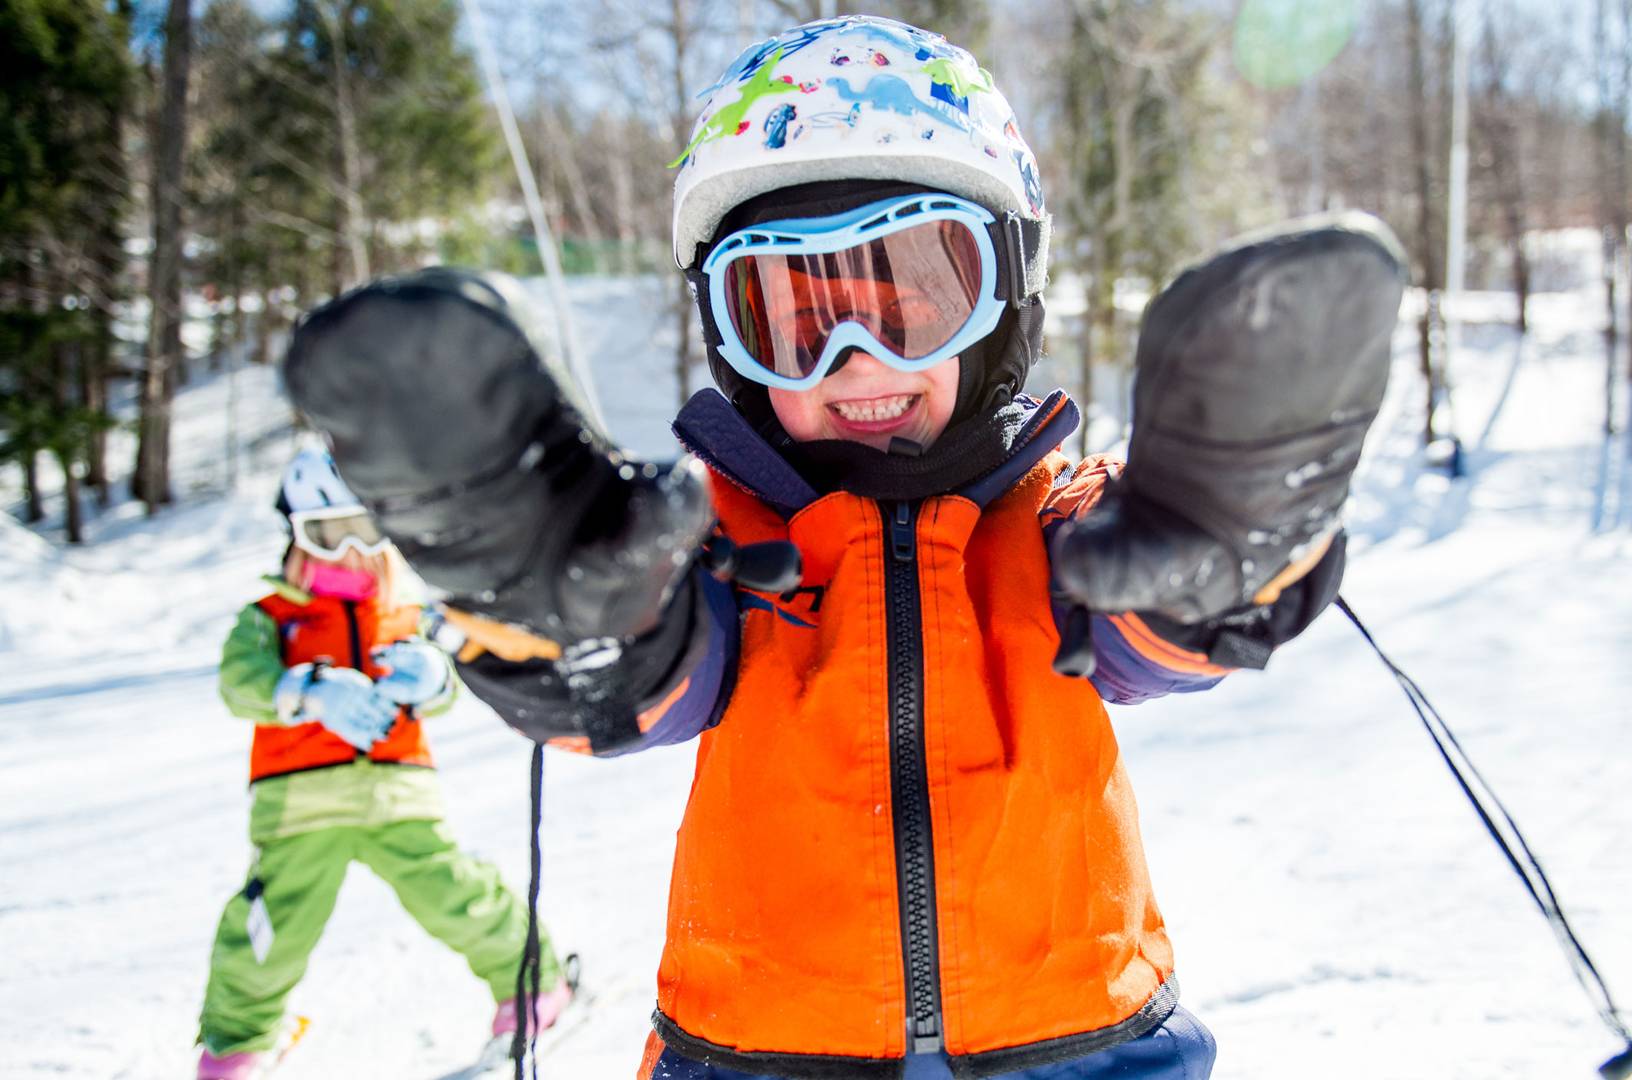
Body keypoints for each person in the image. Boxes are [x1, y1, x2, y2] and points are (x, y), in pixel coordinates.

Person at [284, 15, 1401, 1079]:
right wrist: (566, 606)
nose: (857, 361)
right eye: (794, 316)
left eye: (915, 297)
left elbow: (1155, 632)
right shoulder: (725, 538)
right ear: (735, 349)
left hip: (1083, 1049)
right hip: (762, 1055)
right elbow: (660, 677)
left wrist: (1225, 532)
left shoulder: (1058, 521)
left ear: (1005, 298)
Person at [192, 449, 572, 1080]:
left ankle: (534, 984)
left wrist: (432, 678)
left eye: (361, 531)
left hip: (400, 793)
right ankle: (239, 1040)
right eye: (326, 535)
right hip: (298, 802)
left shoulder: (404, 618)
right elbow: (239, 682)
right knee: (270, 926)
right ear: (296, 535)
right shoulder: (270, 620)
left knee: (457, 895)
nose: (347, 554)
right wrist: (304, 690)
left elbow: (447, 687)